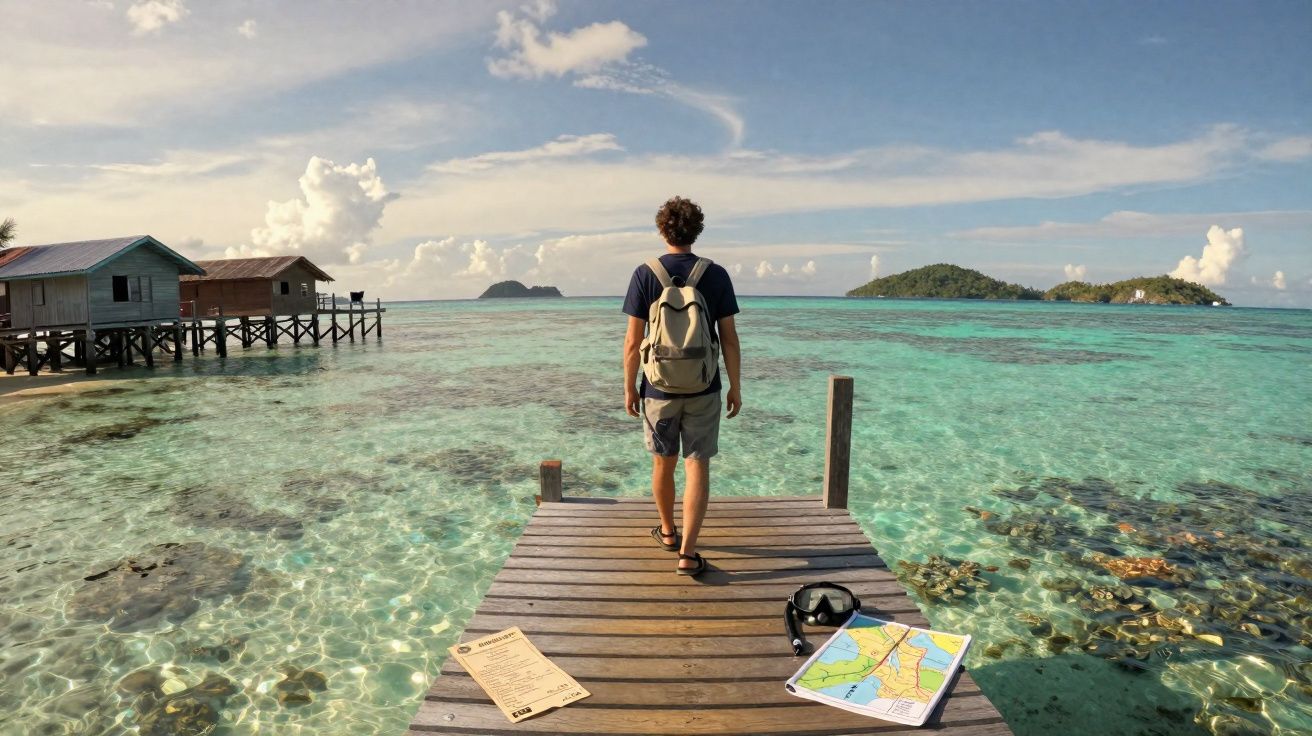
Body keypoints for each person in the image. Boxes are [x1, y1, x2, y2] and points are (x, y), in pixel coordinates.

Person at [622, 196, 741, 576]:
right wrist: (735, 386)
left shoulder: (645, 274)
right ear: (697, 230)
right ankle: (688, 555)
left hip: (657, 387)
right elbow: (730, 339)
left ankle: (669, 532)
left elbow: (631, 341)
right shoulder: (716, 274)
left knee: (663, 462)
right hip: (705, 386)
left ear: (662, 229)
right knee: (697, 465)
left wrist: (629, 387)